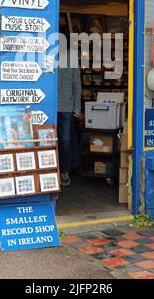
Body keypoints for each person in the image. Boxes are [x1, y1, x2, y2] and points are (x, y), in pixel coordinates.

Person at [57, 26, 81, 187]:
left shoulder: (71, 56)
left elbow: (76, 84)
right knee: (52, 141)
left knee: (64, 141)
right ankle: (54, 172)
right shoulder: (48, 54)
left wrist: (77, 108)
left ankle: (64, 170)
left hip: (65, 106)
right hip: (49, 107)